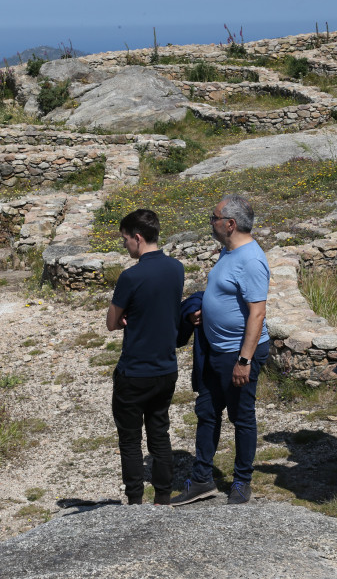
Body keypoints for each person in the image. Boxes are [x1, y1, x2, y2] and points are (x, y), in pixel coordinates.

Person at [172, 195, 270, 506]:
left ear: (230, 224)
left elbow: (257, 313)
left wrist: (244, 360)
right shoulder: (229, 252)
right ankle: (202, 479)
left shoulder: (251, 260)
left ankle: (241, 481)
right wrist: (198, 313)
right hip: (215, 349)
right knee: (207, 413)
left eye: (214, 218)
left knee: (242, 417)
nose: (210, 223)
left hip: (236, 353)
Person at [106, 209, 184, 505]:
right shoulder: (176, 268)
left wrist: (125, 314)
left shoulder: (130, 276)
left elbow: (112, 322)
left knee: (130, 440)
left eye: (125, 239)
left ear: (137, 238)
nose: (124, 245)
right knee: (159, 434)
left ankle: (135, 500)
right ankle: (163, 497)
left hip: (134, 370)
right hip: (165, 368)